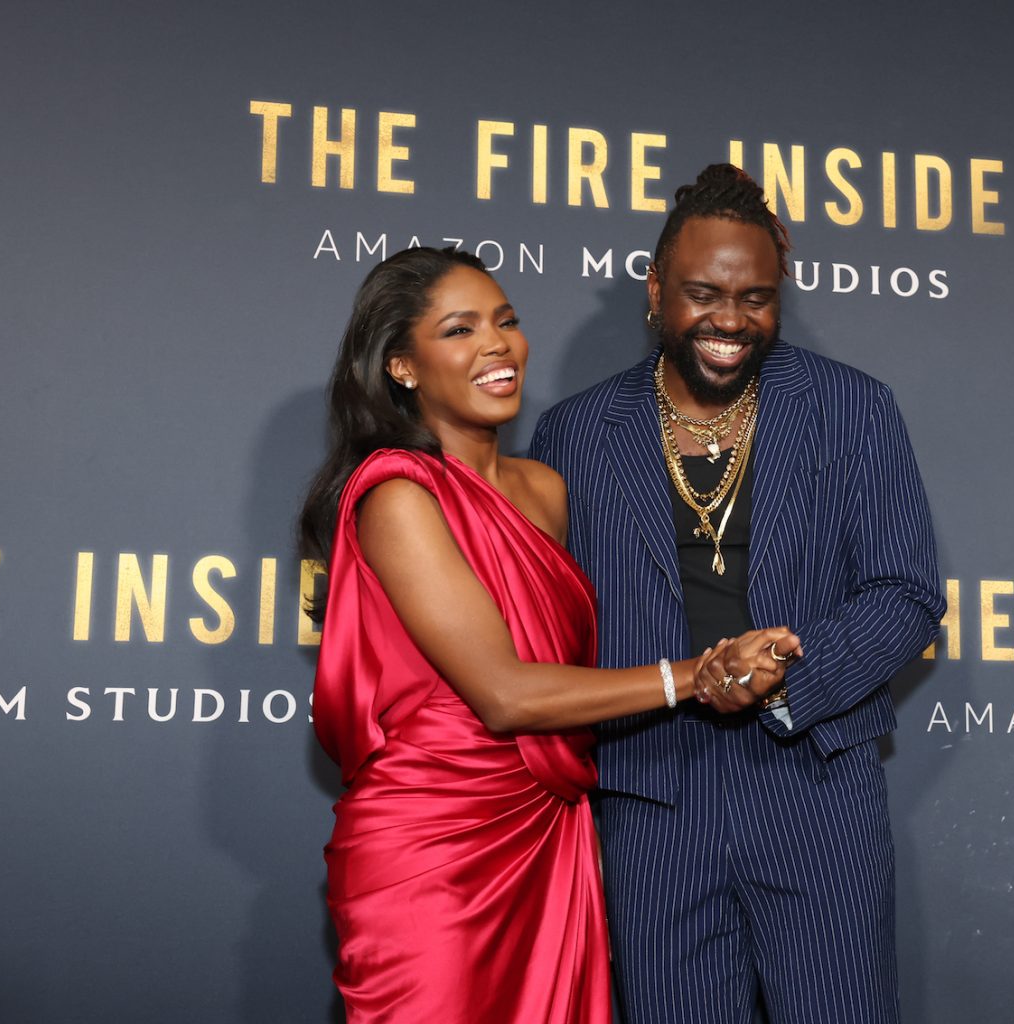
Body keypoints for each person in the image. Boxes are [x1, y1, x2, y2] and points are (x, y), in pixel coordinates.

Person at [298, 246, 798, 1024]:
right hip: (433, 852)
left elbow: (574, 669)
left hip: (548, 829)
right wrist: (695, 677)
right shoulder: (398, 494)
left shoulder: (549, 489)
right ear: (401, 365)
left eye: (506, 321)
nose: (498, 345)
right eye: (460, 330)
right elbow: (502, 694)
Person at [531, 165, 945, 1023]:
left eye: (755, 297)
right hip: (650, 793)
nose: (730, 319)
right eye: (703, 293)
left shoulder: (852, 410)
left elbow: (907, 590)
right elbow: (543, 614)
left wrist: (788, 678)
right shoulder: (573, 432)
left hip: (817, 788)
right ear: (654, 291)